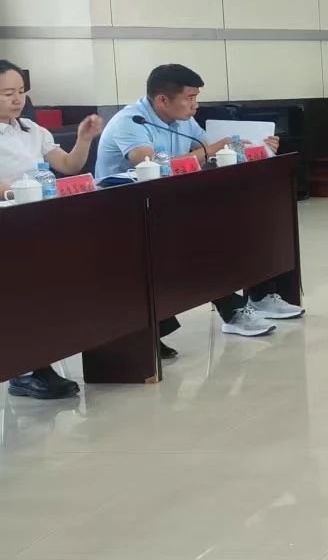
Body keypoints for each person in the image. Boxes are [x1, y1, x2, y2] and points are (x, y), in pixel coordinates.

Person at [96, 63, 302, 351]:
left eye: (196, 97)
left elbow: (211, 154)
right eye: (190, 98)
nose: (196, 105)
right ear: (162, 100)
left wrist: (260, 147)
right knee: (202, 240)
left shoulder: (183, 120)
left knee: (245, 222)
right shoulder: (131, 122)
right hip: (121, 213)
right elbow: (151, 166)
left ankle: (260, 294)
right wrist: (212, 149)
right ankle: (232, 310)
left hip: (169, 204)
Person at [1, 59, 104, 400]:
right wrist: (15, 191)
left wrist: (83, 139)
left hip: (39, 220)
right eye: (7, 93)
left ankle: (36, 364)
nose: (17, 99)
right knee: (21, 295)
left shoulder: (32, 129)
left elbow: (68, 166)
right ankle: (28, 370)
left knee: (45, 292)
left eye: (21, 91)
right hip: (8, 224)